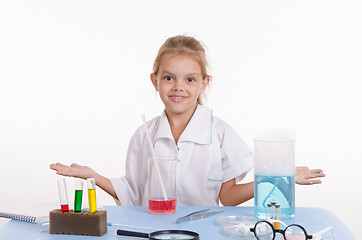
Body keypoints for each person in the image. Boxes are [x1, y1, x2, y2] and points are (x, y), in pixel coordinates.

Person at [50, 35, 325, 206]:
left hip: (204, 231)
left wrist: (275, 179)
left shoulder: (219, 132)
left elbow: (227, 197)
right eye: (169, 78)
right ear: (154, 81)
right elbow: (133, 195)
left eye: (189, 79)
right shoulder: (144, 135)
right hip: (154, 230)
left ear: (204, 84)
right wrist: (95, 177)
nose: (178, 87)